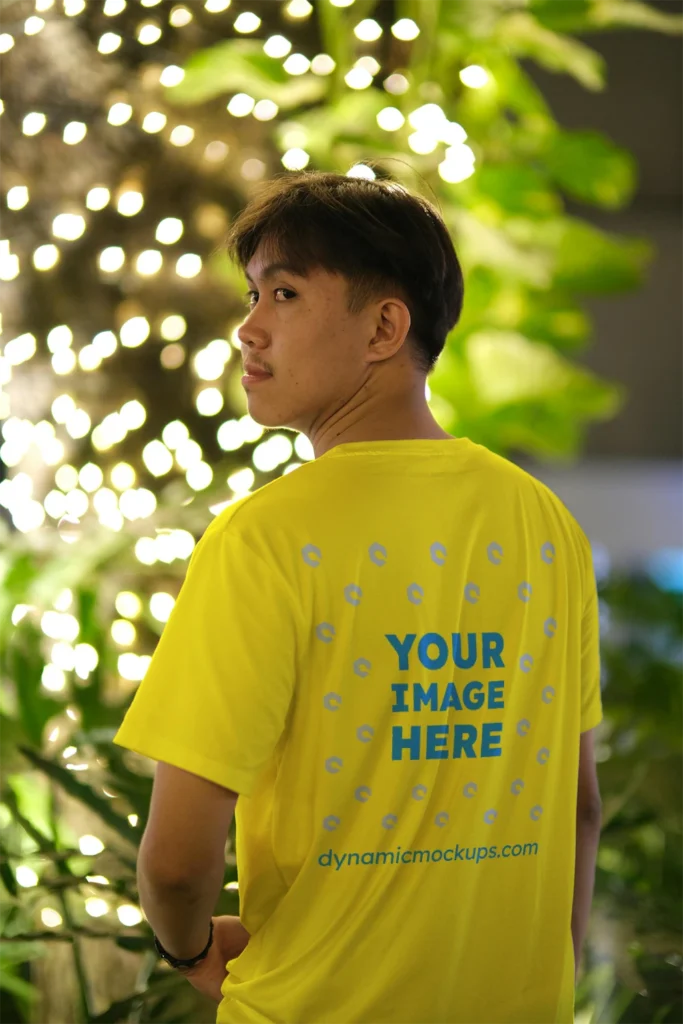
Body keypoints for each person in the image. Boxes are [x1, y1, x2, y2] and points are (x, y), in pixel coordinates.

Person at [113, 169, 603, 1023]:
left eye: (285, 293)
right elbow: (578, 807)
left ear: (384, 325)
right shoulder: (544, 523)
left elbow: (179, 862)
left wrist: (189, 949)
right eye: (253, 293)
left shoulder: (263, 540)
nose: (247, 328)